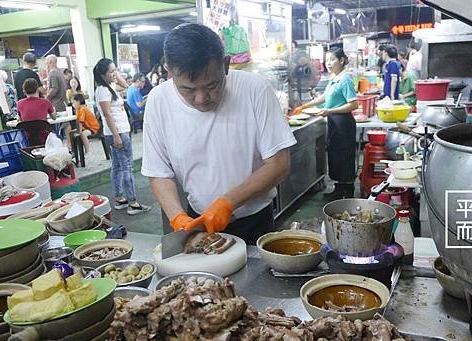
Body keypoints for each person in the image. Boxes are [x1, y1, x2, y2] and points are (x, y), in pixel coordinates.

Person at [141, 23, 296, 244]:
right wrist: (177, 216)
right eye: (188, 89)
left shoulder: (255, 90)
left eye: (212, 85)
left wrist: (227, 202)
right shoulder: (158, 101)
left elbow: (279, 164)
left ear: (225, 65)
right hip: (196, 222)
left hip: (254, 221)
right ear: (169, 72)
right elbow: (158, 172)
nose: (201, 98)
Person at [293, 47, 358, 199]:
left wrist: (330, 111)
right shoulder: (334, 79)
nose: (328, 63)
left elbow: (353, 104)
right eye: (327, 60)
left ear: (342, 61)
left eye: (332, 60)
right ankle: (339, 188)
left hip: (343, 123)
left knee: (344, 157)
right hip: (335, 122)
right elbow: (324, 98)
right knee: (335, 155)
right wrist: (304, 106)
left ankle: (347, 190)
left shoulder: (345, 80)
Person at [94, 58, 151, 216]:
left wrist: (115, 72)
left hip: (119, 132)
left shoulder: (109, 87)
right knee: (127, 167)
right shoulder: (102, 90)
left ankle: (119, 199)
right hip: (118, 132)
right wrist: (116, 135)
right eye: (111, 72)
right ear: (102, 74)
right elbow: (107, 115)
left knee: (118, 166)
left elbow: (125, 85)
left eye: (115, 70)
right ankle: (132, 202)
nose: (114, 74)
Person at [16, 78, 56, 145]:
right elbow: (54, 117)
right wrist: (54, 110)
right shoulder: (45, 102)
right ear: (37, 90)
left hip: (27, 139)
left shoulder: (19, 103)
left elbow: (21, 120)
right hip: (44, 138)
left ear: (24, 91)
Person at [45, 54, 72, 147]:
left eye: (47, 63)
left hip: (56, 103)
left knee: (60, 124)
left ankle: (65, 144)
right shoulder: (60, 72)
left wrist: (46, 98)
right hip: (63, 101)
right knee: (66, 124)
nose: (46, 65)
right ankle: (70, 143)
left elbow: (54, 88)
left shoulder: (52, 73)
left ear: (50, 62)